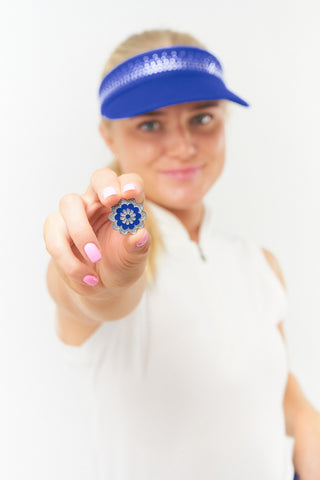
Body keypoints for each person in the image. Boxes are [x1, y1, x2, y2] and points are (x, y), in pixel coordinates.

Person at [43, 29, 320, 480]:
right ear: (109, 137)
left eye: (202, 118)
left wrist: (307, 418)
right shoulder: (106, 252)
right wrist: (97, 274)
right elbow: (90, 294)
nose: (184, 145)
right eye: (150, 124)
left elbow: (270, 385)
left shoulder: (259, 263)